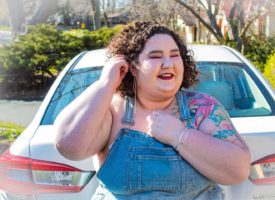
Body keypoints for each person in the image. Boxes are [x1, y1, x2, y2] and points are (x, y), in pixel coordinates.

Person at [54, 21, 251, 199]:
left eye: (175, 55)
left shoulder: (202, 109)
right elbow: (68, 145)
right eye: (155, 57)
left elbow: (239, 170)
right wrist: (106, 84)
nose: (168, 63)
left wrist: (180, 136)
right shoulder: (111, 110)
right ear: (132, 67)